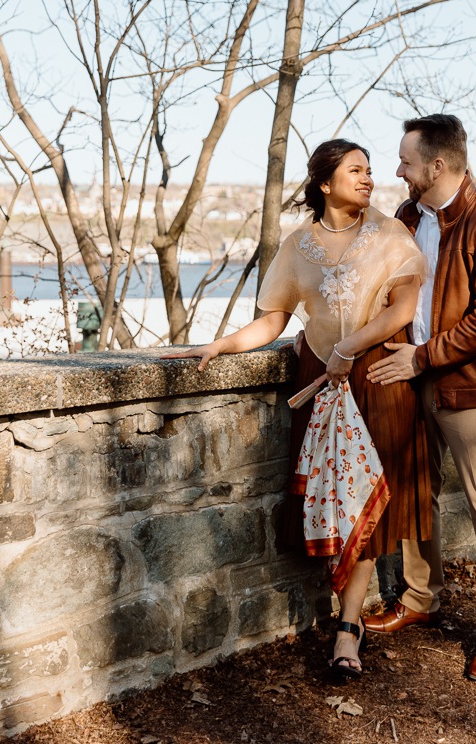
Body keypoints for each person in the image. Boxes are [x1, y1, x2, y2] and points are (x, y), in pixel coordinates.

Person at [163, 139, 431, 682]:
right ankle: (339, 609)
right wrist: (219, 346)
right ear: (325, 183)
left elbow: (403, 307)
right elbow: (273, 321)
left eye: (371, 171)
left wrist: (347, 349)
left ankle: (347, 629)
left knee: (367, 503)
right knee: (329, 499)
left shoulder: (389, 234)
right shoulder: (298, 244)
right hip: (319, 381)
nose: (369, 179)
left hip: (378, 376)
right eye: (356, 171)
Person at [364, 114, 476, 682]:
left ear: (436, 166)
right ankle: (419, 598)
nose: (398, 170)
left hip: (473, 385)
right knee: (415, 492)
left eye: (406, 161)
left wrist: (422, 356)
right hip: (413, 380)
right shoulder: (408, 218)